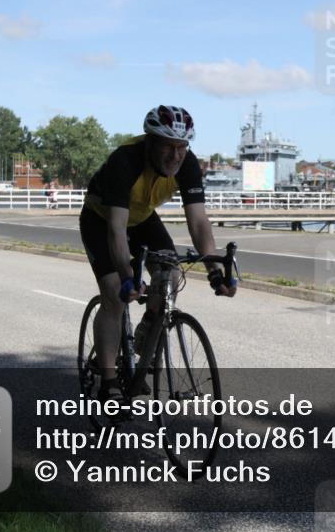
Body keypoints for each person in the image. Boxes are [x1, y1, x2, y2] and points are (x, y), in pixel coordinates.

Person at [79, 105, 236, 404]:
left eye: (182, 147)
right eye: (168, 146)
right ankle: (109, 380)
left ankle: (146, 334)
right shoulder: (124, 161)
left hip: (142, 218)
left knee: (171, 273)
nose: (175, 155)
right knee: (114, 293)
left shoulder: (187, 163)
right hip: (102, 220)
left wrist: (215, 271)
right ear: (150, 141)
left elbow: (199, 221)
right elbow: (115, 229)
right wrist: (127, 278)